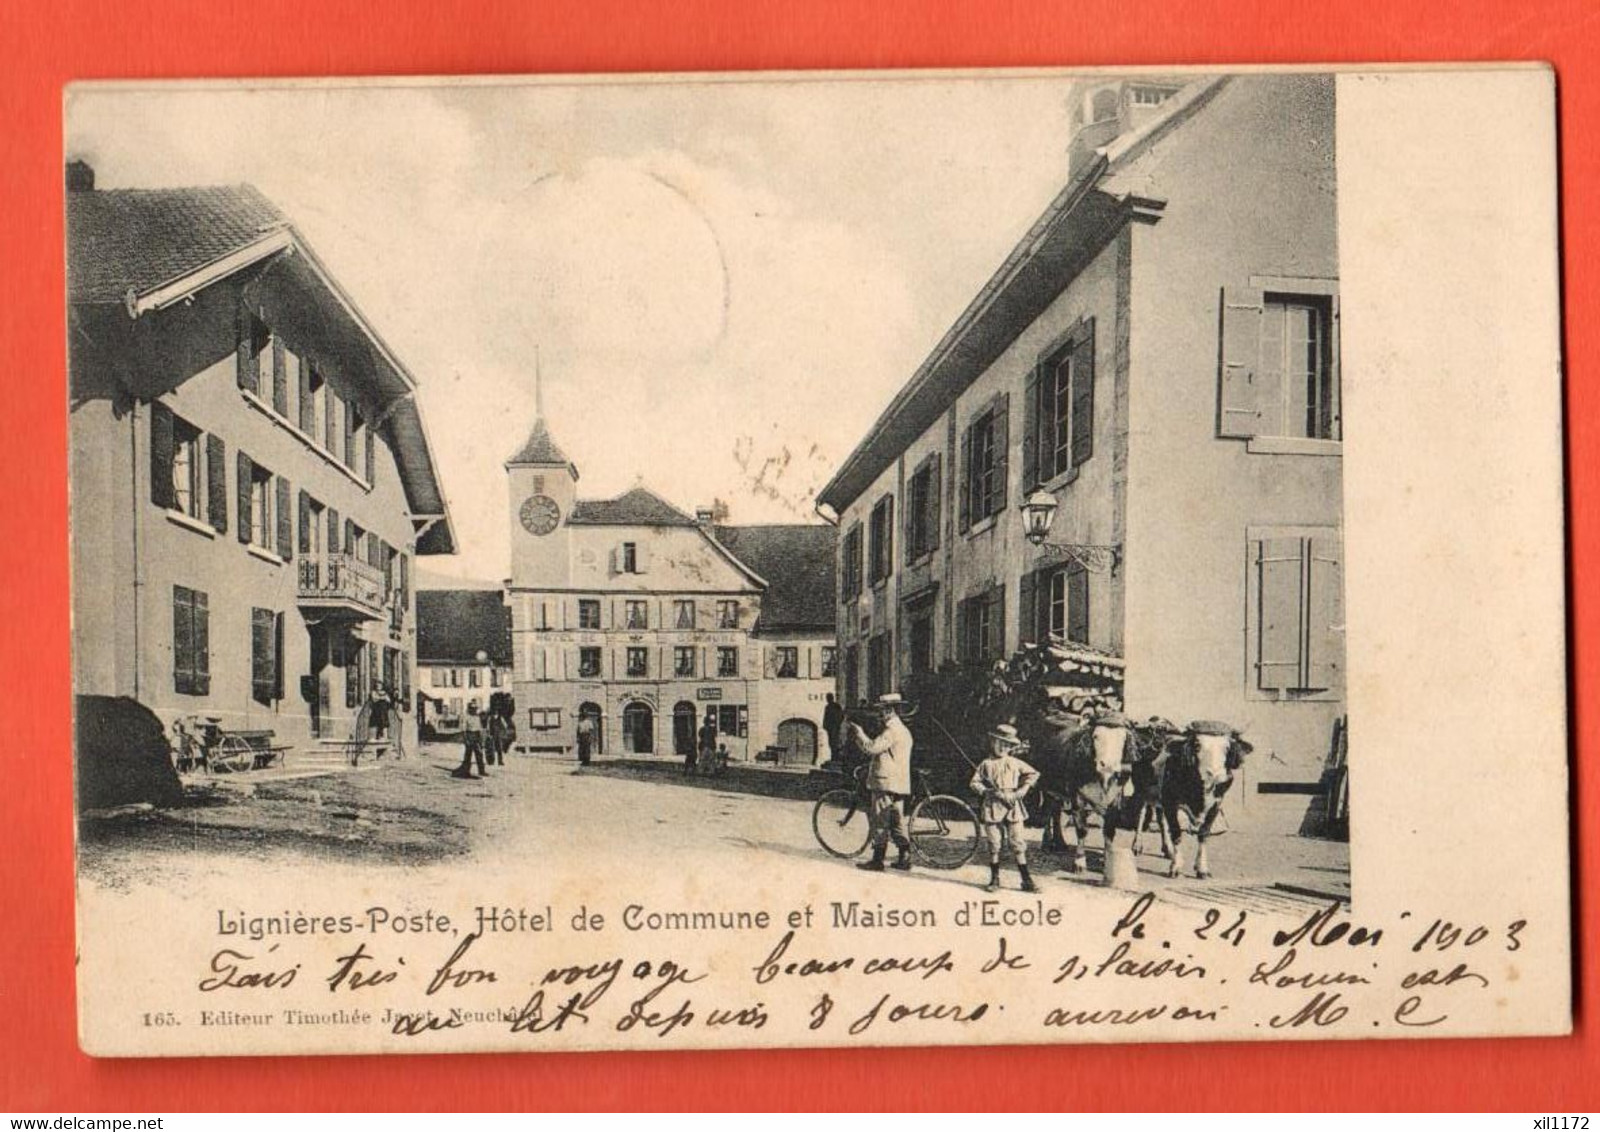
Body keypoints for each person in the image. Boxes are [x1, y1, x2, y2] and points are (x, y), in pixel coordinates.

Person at [971, 723, 1042, 893]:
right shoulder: (986, 764)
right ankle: (994, 879)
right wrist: (987, 791)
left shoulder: (1015, 762)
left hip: (1012, 805)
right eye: (999, 742)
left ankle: (1026, 880)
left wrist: (1022, 791)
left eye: (1007, 744)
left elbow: (1033, 774)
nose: (1003, 747)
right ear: (992, 742)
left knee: (1017, 841)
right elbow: (974, 782)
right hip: (993, 806)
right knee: (994, 843)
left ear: (1011, 747)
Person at [847, 693, 914, 872]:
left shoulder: (891, 731)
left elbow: (871, 748)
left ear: (890, 710)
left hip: (885, 783)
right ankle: (905, 857)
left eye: (882, 710)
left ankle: (877, 860)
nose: (879, 714)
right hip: (899, 783)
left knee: (880, 820)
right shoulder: (903, 730)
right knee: (897, 821)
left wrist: (860, 733)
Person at [453, 704, 487, 779]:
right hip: (469, 735)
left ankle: (481, 771)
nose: (474, 710)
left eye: (475, 709)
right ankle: (466, 771)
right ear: (469, 709)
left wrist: (480, 739)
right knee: (468, 755)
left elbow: (479, 728)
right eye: (473, 709)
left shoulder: (477, 718)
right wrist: (466, 739)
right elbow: (464, 730)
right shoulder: (466, 717)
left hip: (476, 736)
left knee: (479, 754)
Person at [822, 693, 845, 764]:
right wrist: (825, 725)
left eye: (828, 698)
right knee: (831, 743)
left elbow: (841, 716)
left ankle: (836, 757)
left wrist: (838, 723)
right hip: (831, 727)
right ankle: (833, 757)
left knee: (835, 742)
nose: (827, 699)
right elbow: (826, 717)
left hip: (835, 727)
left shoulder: (836, 706)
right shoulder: (828, 706)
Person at [694, 711, 717, 776]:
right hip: (710, 746)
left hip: (704, 746)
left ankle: (701, 771)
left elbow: (700, 736)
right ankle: (710, 771)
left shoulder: (702, 729)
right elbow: (714, 736)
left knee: (703, 759)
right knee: (710, 759)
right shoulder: (712, 729)